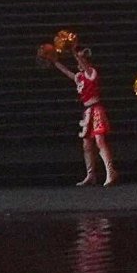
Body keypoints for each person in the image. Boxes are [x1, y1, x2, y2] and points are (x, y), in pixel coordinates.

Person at [45, 34, 116, 187]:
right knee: (86, 144)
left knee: (100, 141)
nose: (79, 63)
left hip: (96, 109)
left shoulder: (91, 73)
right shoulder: (80, 77)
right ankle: (90, 175)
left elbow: (83, 64)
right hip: (87, 111)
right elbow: (66, 72)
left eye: (82, 60)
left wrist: (73, 50)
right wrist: (54, 61)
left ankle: (110, 171)